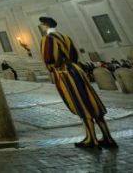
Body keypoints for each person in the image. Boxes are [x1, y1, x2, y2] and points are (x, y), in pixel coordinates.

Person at [39, 16, 117, 149]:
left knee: (79, 101)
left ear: (46, 25)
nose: (41, 26)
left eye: (41, 25)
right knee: (91, 100)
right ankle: (107, 137)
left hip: (64, 72)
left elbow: (51, 58)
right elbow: (75, 55)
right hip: (76, 69)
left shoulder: (48, 39)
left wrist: (52, 68)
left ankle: (91, 138)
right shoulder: (65, 37)